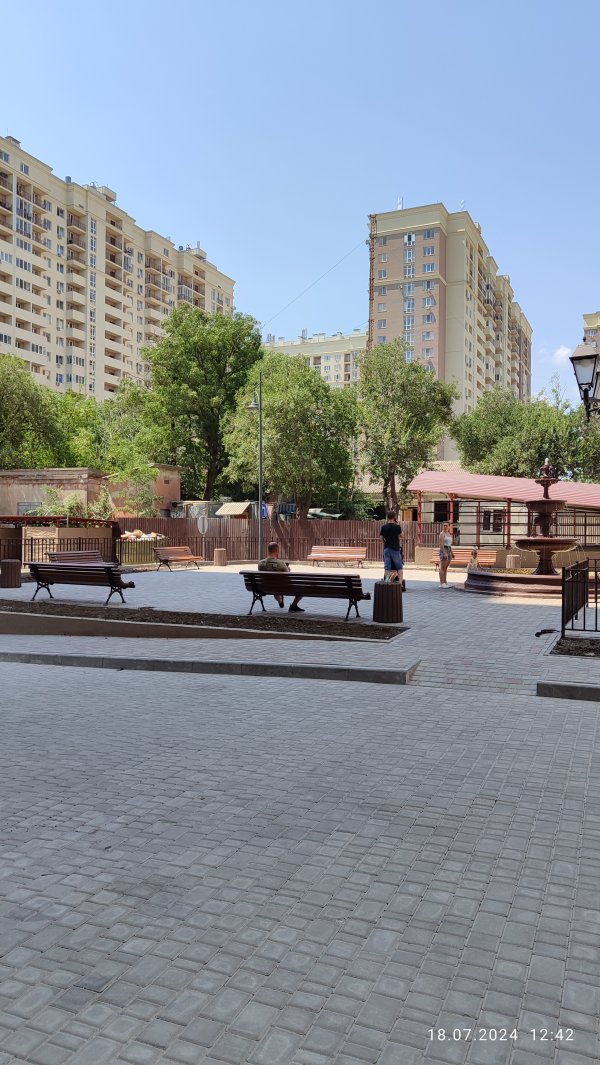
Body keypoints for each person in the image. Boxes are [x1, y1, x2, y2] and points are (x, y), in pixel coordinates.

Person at [258, 541, 304, 612]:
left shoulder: (261, 563)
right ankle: (293, 605)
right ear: (277, 551)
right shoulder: (281, 563)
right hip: (281, 587)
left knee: (275, 588)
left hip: (265, 587)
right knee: (302, 588)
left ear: (268, 550)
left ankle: (280, 601)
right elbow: (288, 575)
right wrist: (288, 568)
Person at [380, 511, 405, 589]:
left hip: (387, 549)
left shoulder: (383, 527)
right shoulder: (397, 527)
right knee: (399, 567)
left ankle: (387, 582)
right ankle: (400, 584)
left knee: (387, 568)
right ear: (394, 517)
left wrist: (385, 543)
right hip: (395, 549)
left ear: (387, 517)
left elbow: (381, 538)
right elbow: (402, 536)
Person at [438, 521, 454, 587]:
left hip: (449, 550)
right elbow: (441, 544)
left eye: (446, 525)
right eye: (444, 525)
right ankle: (442, 583)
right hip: (444, 549)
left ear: (449, 526)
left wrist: (452, 553)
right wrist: (444, 553)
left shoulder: (448, 534)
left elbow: (449, 544)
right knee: (442, 567)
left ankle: (445, 582)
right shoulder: (442, 534)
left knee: (446, 568)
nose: (445, 526)